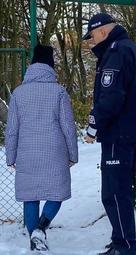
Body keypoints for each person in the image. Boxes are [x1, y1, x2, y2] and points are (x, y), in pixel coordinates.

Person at [83, 13, 136, 255]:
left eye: (92, 36)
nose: (91, 42)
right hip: (131, 131)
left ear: (102, 32)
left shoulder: (116, 53)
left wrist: (93, 127)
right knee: (120, 191)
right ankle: (121, 239)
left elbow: (111, 97)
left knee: (114, 193)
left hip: (117, 134)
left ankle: (124, 247)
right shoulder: (133, 50)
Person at [5, 44, 78, 252]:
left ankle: (34, 238)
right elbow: (68, 128)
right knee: (56, 194)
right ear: (51, 65)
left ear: (31, 65)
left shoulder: (18, 94)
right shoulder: (59, 92)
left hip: (26, 153)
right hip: (54, 152)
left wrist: (10, 156)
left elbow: (12, 130)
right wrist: (72, 155)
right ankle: (41, 229)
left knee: (30, 196)